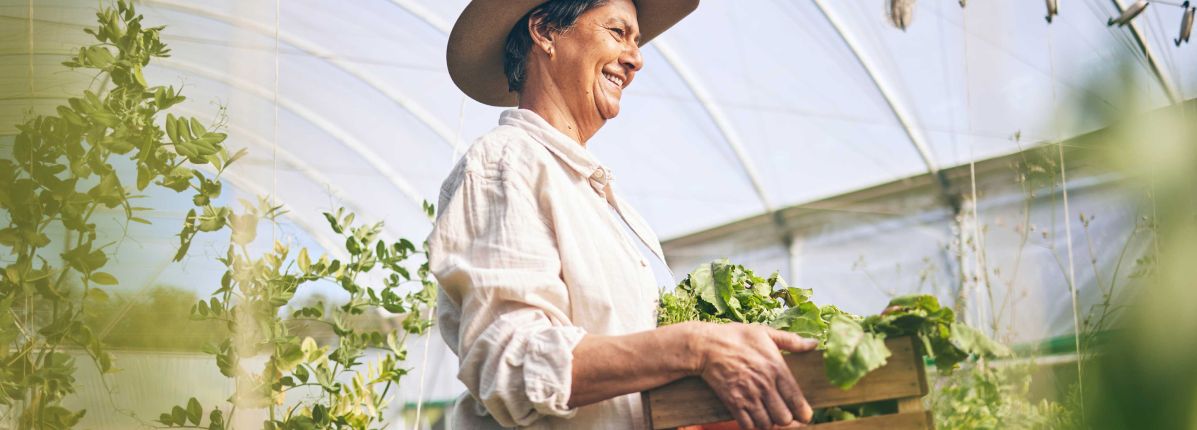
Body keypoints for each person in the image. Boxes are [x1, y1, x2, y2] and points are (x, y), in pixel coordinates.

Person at [429, 1, 816, 428]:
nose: (636, 59)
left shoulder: (607, 203)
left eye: (637, 41)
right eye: (617, 32)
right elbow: (512, 364)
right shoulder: (506, 163)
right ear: (544, 32)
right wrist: (694, 346)